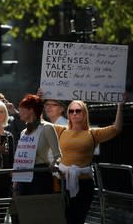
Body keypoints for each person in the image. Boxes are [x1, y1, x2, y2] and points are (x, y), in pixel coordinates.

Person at [54, 93, 127, 224]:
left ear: (84, 113)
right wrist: (39, 100)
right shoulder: (61, 130)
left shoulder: (93, 133)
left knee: (78, 218)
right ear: (68, 114)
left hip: (84, 183)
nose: (74, 113)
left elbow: (116, 128)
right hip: (62, 183)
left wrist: (120, 106)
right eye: (71, 111)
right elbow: (40, 123)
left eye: (78, 111)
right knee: (64, 218)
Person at [13, 94, 61, 196]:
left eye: (22, 109)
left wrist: (55, 164)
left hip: (40, 176)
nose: (19, 111)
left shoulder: (47, 128)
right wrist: (15, 183)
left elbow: (58, 155)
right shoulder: (23, 132)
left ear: (31, 110)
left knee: (39, 209)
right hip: (23, 176)